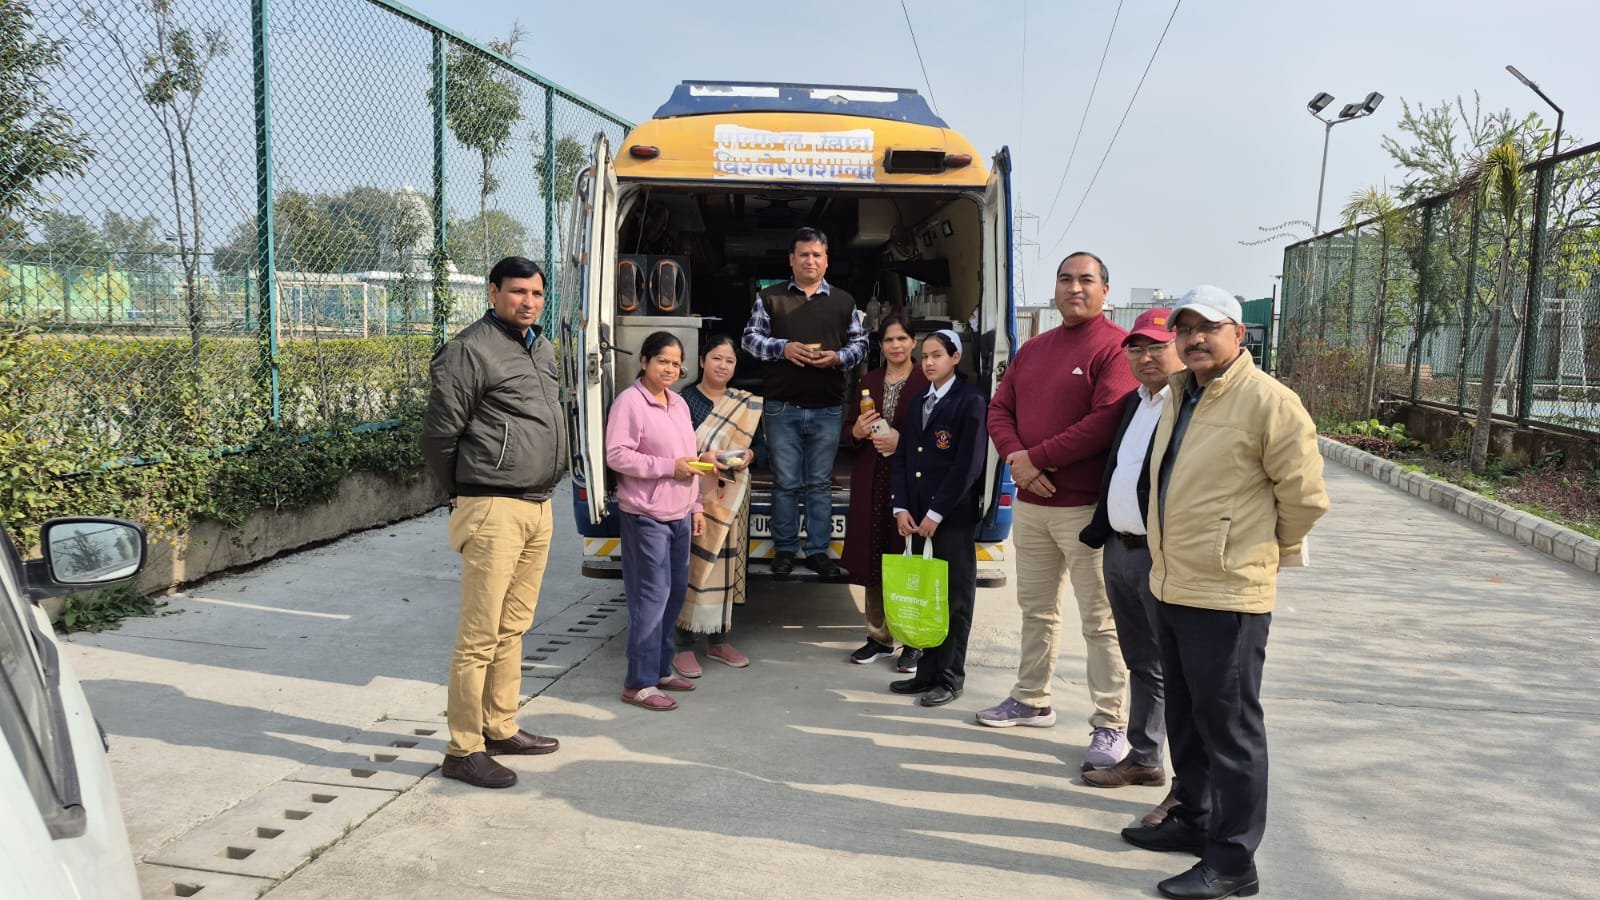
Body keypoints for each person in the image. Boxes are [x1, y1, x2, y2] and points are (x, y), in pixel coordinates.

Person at [1119, 286, 1328, 900]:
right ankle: (1194, 817)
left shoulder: (1269, 401)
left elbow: (1305, 498)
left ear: (1239, 333)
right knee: (1186, 718)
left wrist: (1255, 549)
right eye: (1185, 329)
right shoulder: (1180, 393)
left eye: (1208, 327)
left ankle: (1235, 861)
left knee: (1231, 729)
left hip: (1228, 592)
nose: (1194, 339)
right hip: (1173, 582)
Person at [979, 252, 1139, 775]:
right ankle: (1031, 698)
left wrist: (1036, 459)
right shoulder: (1034, 348)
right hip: (1033, 507)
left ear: (1105, 290)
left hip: (1085, 510)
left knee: (1101, 621)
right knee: (1036, 610)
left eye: (1086, 280)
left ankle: (1111, 723)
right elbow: (999, 409)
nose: (1075, 288)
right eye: (1066, 279)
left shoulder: (1115, 347)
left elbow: (1105, 420)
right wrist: (1016, 460)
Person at [420, 256, 564, 790]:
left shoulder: (541, 347)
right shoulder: (469, 350)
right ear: (492, 292)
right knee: (479, 635)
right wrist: (461, 493)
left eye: (537, 293)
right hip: (492, 505)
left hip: (537, 504)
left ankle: (500, 725)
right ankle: (463, 749)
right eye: (518, 291)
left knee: (514, 626)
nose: (529, 302)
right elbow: (439, 436)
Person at [1077, 308, 1186, 828]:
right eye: (1136, 348)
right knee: (1140, 660)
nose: (1146, 357)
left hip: (1161, 555)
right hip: (1119, 549)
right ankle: (1143, 756)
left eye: (1157, 347)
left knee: (1176, 668)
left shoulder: (1188, 407)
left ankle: (1186, 784)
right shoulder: (1134, 404)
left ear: (1179, 348)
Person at [741, 226, 870, 577]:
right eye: (803, 255)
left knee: (820, 483)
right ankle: (784, 550)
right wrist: (782, 348)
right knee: (785, 483)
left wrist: (837, 357)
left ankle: (817, 552)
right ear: (791, 260)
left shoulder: (844, 301)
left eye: (816, 255)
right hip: (781, 407)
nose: (810, 260)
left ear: (826, 260)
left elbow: (861, 345)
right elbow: (750, 339)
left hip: (828, 408)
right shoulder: (770, 298)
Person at [605, 331, 720, 712]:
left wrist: (696, 507)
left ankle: (660, 669)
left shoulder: (679, 403)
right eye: (662, 362)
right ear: (644, 362)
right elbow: (617, 455)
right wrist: (669, 467)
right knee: (650, 599)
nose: (670, 369)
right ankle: (638, 683)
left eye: (675, 363)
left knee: (673, 595)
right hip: (646, 515)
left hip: (679, 514)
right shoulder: (630, 402)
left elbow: (689, 457)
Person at [884, 330, 988, 708]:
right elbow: (903, 458)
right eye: (924, 356)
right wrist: (900, 507)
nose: (928, 363)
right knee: (925, 596)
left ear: (955, 358)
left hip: (950, 518)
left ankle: (950, 677)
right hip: (915, 517)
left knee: (955, 600)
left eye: (937, 355)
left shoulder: (971, 402)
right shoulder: (918, 402)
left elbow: (967, 466)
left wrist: (936, 513)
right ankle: (925, 673)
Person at [841, 315, 930, 673]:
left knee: (907, 557)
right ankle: (878, 637)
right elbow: (848, 429)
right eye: (889, 340)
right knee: (875, 556)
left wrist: (901, 441)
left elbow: (939, 433)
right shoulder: (870, 381)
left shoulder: (926, 379)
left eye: (902, 339)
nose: (896, 345)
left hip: (910, 478)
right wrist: (858, 432)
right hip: (872, 477)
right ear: (881, 346)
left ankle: (913, 641)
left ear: (913, 343)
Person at [671, 335, 762, 678]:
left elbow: (760, 448)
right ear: (701, 361)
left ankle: (718, 640)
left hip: (730, 497)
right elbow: (675, 450)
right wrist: (704, 458)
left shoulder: (744, 404)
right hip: (692, 494)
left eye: (730, 360)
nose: (723, 366)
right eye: (716, 358)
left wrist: (749, 454)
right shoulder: (684, 401)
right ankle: (682, 644)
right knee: (692, 566)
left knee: (723, 568)